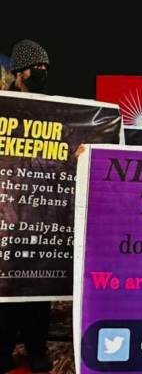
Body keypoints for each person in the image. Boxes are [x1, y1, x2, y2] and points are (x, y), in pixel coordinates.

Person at [0, 39, 54, 374]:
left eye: (46, 69)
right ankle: (3, 349)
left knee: (40, 286)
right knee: (4, 287)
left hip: (43, 212)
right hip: (7, 211)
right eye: (37, 68)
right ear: (19, 71)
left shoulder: (55, 110)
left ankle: (36, 349)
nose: (42, 73)